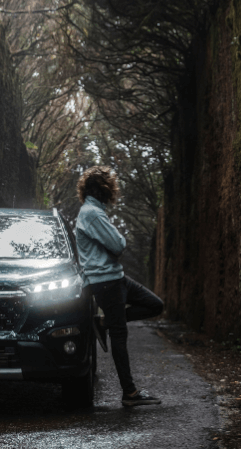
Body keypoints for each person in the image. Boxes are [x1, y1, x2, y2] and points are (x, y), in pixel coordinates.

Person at [75, 165, 164, 407]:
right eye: (111, 185)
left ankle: (104, 322)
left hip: (116, 278)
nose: (114, 189)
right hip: (105, 282)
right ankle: (130, 393)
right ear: (104, 188)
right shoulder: (92, 213)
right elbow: (118, 244)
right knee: (120, 336)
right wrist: (119, 238)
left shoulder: (95, 211)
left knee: (154, 305)